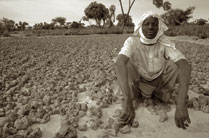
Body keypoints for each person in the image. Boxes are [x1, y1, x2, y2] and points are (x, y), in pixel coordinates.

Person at [114, 11, 191, 129]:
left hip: (157, 84)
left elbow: (184, 64)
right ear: (140, 26)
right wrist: (127, 101)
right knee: (126, 63)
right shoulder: (132, 42)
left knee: (175, 65)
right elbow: (119, 63)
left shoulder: (164, 43)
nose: (151, 27)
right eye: (147, 24)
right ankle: (133, 96)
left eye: (154, 24)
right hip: (137, 84)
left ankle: (159, 94)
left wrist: (181, 104)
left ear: (159, 27)